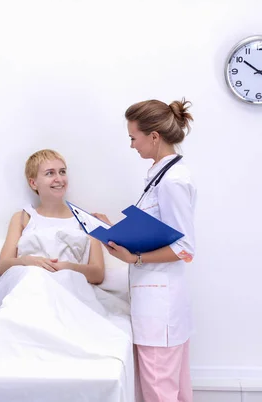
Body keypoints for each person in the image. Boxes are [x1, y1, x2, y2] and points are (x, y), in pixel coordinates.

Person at [94, 99, 196, 402]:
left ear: (154, 136)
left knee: (159, 393)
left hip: (160, 306)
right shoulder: (160, 176)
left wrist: (134, 257)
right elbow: (156, 233)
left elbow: (185, 248)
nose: (131, 145)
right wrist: (115, 232)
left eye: (133, 137)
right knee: (173, 392)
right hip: (157, 302)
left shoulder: (172, 182)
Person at [0, 149, 104, 284]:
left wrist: (68, 268)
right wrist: (26, 262)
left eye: (62, 172)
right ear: (33, 183)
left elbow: (98, 274)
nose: (59, 179)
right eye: (50, 173)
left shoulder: (86, 220)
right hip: (29, 285)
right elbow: (3, 266)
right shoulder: (22, 218)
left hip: (69, 287)